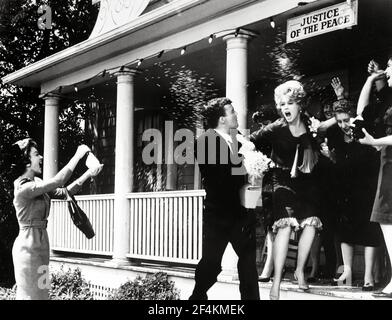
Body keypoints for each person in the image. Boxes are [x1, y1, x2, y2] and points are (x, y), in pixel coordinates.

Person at [250, 80, 335, 300]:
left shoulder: (311, 124)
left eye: (290, 103)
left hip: (308, 181)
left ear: (299, 105)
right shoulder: (276, 127)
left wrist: (325, 152)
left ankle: (299, 270)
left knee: (312, 223)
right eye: (282, 104)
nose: (285, 107)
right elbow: (251, 141)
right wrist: (252, 157)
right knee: (285, 227)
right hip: (283, 181)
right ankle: (276, 281)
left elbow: (319, 146)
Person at [10, 138, 101, 300]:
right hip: (27, 248)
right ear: (26, 162)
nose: (41, 158)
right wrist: (78, 156)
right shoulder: (23, 188)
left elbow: (63, 192)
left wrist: (89, 173)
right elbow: (58, 181)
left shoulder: (36, 182)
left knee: (43, 294)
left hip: (42, 244)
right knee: (30, 296)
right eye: (36, 154)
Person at [189, 97, 260, 300]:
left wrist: (256, 162)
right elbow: (219, 178)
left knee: (248, 262)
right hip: (218, 216)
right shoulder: (204, 141)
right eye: (232, 112)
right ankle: (197, 297)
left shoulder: (238, 137)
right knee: (211, 264)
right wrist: (243, 160)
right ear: (222, 119)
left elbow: (249, 166)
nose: (236, 114)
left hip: (241, 214)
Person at [321, 99, 382, 291]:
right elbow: (336, 160)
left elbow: (375, 156)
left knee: (369, 231)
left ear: (353, 116)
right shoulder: (336, 136)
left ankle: (368, 276)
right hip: (345, 189)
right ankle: (346, 272)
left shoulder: (364, 129)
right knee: (344, 231)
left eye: (346, 120)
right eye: (339, 121)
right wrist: (330, 157)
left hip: (366, 188)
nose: (343, 125)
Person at [358, 56, 392, 298]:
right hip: (388, 161)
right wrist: (371, 79)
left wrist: (375, 142)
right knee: (386, 219)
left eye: (391, 66)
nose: (387, 70)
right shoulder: (388, 100)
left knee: (387, 218)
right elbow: (361, 113)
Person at [252, 106, 279, 282]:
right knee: (270, 224)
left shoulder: (282, 135)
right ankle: (270, 267)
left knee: (279, 225)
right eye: (261, 124)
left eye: (266, 123)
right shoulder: (261, 139)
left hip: (286, 182)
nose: (263, 128)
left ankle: (274, 267)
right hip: (268, 184)